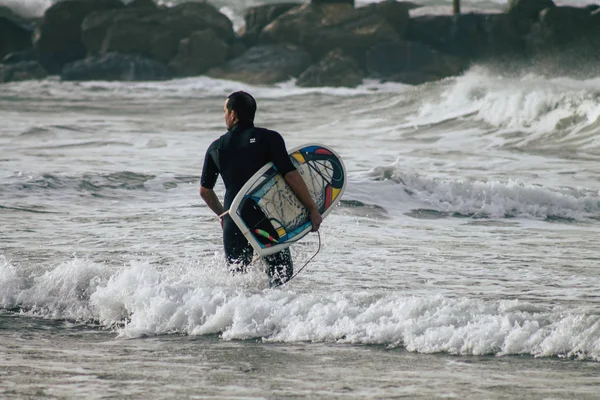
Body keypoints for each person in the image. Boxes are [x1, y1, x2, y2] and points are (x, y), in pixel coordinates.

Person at [200, 91, 322, 286]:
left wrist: (224, 215)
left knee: (238, 282)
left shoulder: (216, 147)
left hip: (234, 219)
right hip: (264, 219)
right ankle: (276, 315)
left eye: (224, 111)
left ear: (233, 114)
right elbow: (290, 175)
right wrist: (312, 208)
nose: (224, 116)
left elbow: (205, 191)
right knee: (281, 277)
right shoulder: (269, 139)